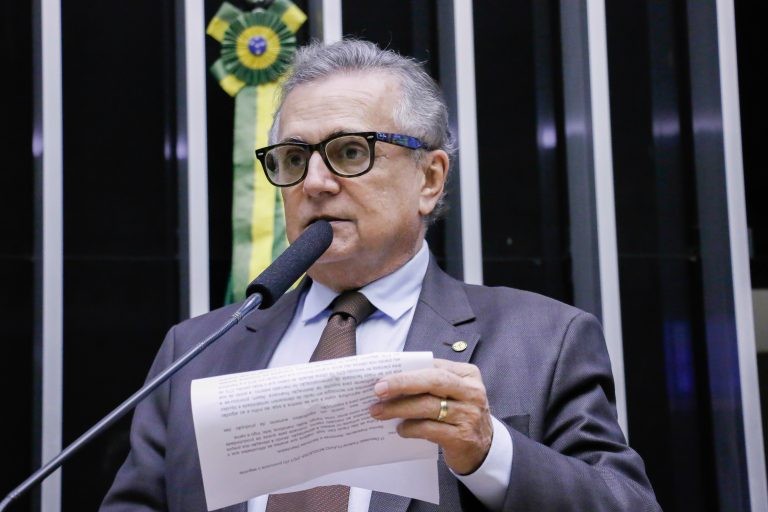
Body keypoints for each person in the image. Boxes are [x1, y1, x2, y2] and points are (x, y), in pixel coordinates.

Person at [101, 39, 660, 512]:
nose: (314, 183)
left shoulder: (544, 339)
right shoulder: (198, 350)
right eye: (293, 159)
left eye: (349, 152)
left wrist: (492, 451)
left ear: (430, 179)